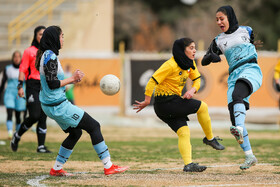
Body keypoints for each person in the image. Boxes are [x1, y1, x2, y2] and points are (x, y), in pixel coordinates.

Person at [34, 25, 128, 176]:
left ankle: (56, 169)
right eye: (61, 36)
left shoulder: (46, 55)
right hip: (58, 106)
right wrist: (72, 79)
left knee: (75, 133)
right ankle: (108, 166)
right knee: (94, 126)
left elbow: (50, 84)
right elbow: (52, 84)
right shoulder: (50, 56)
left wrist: (68, 83)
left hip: (51, 105)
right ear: (53, 38)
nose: (62, 39)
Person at [134, 37, 225, 173]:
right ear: (182, 51)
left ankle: (188, 165)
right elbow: (152, 81)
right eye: (191, 48)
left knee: (184, 132)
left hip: (167, 106)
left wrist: (193, 90)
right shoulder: (170, 65)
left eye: (195, 47)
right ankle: (210, 139)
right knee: (203, 107)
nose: (194, 50)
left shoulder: (189, 64)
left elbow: (197, 79)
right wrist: (147, 100)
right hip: (166, 103)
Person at [190, 5, 262, 170]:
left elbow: (250, 44)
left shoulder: (247, 30)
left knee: (238, 97)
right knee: (235, 117)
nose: (219, 22)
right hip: (234, 76)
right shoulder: (218, 40)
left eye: (221, 18)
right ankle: (250, 156)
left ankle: (238, 128)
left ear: (230, 17)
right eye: (216, 19)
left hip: (250, 70)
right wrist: (211, 57)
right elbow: (204, 60)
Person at [10, 25, 52, 153]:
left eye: (44, 34)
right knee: (34, 115)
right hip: (32, 84)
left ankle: (41, 146)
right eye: (40, 34)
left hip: (45, 85)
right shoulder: (29, 51)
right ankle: (17, 135)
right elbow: (23, 69)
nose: (42, 36)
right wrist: (20, 86)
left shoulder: (49, 52)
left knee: (43, 115)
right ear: (35, 36)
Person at [0, 51, 26, 139]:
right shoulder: (8, 68)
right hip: (9, 93)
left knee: (18, 115)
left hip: (20, 94)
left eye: (18, 56)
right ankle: (10, 133)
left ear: (21, 58)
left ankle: (17, 134)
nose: (17, 58)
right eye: (15, 56)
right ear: (13, 58)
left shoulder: (24, 69)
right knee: (10, 112)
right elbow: (3, 82)